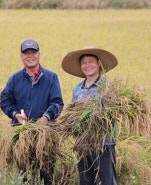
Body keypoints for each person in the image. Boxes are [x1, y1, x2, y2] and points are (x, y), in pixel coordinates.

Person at [0, 39, 64, 185]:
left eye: (33, 52)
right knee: (24, 177)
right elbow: (5, 102)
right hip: (22, 136)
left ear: (39, 54)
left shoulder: (51, 77)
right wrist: (15, 114)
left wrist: (46, 118)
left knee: (47, 176)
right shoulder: (14, 79)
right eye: (26, 53)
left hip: (45, 136)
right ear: (21, 56)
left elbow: (58, 103)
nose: (30, 56)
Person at [61, 46, 118, 185]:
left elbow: (114, 111)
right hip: (83, 144)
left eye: (91, 61)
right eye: (84, 63)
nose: (88, 65)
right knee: (86, 181)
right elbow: (73, 115)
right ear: (81, 67)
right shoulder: (77, 90)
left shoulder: (108, 87)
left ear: (98, 63)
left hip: (104, 143)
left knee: (108, 181)